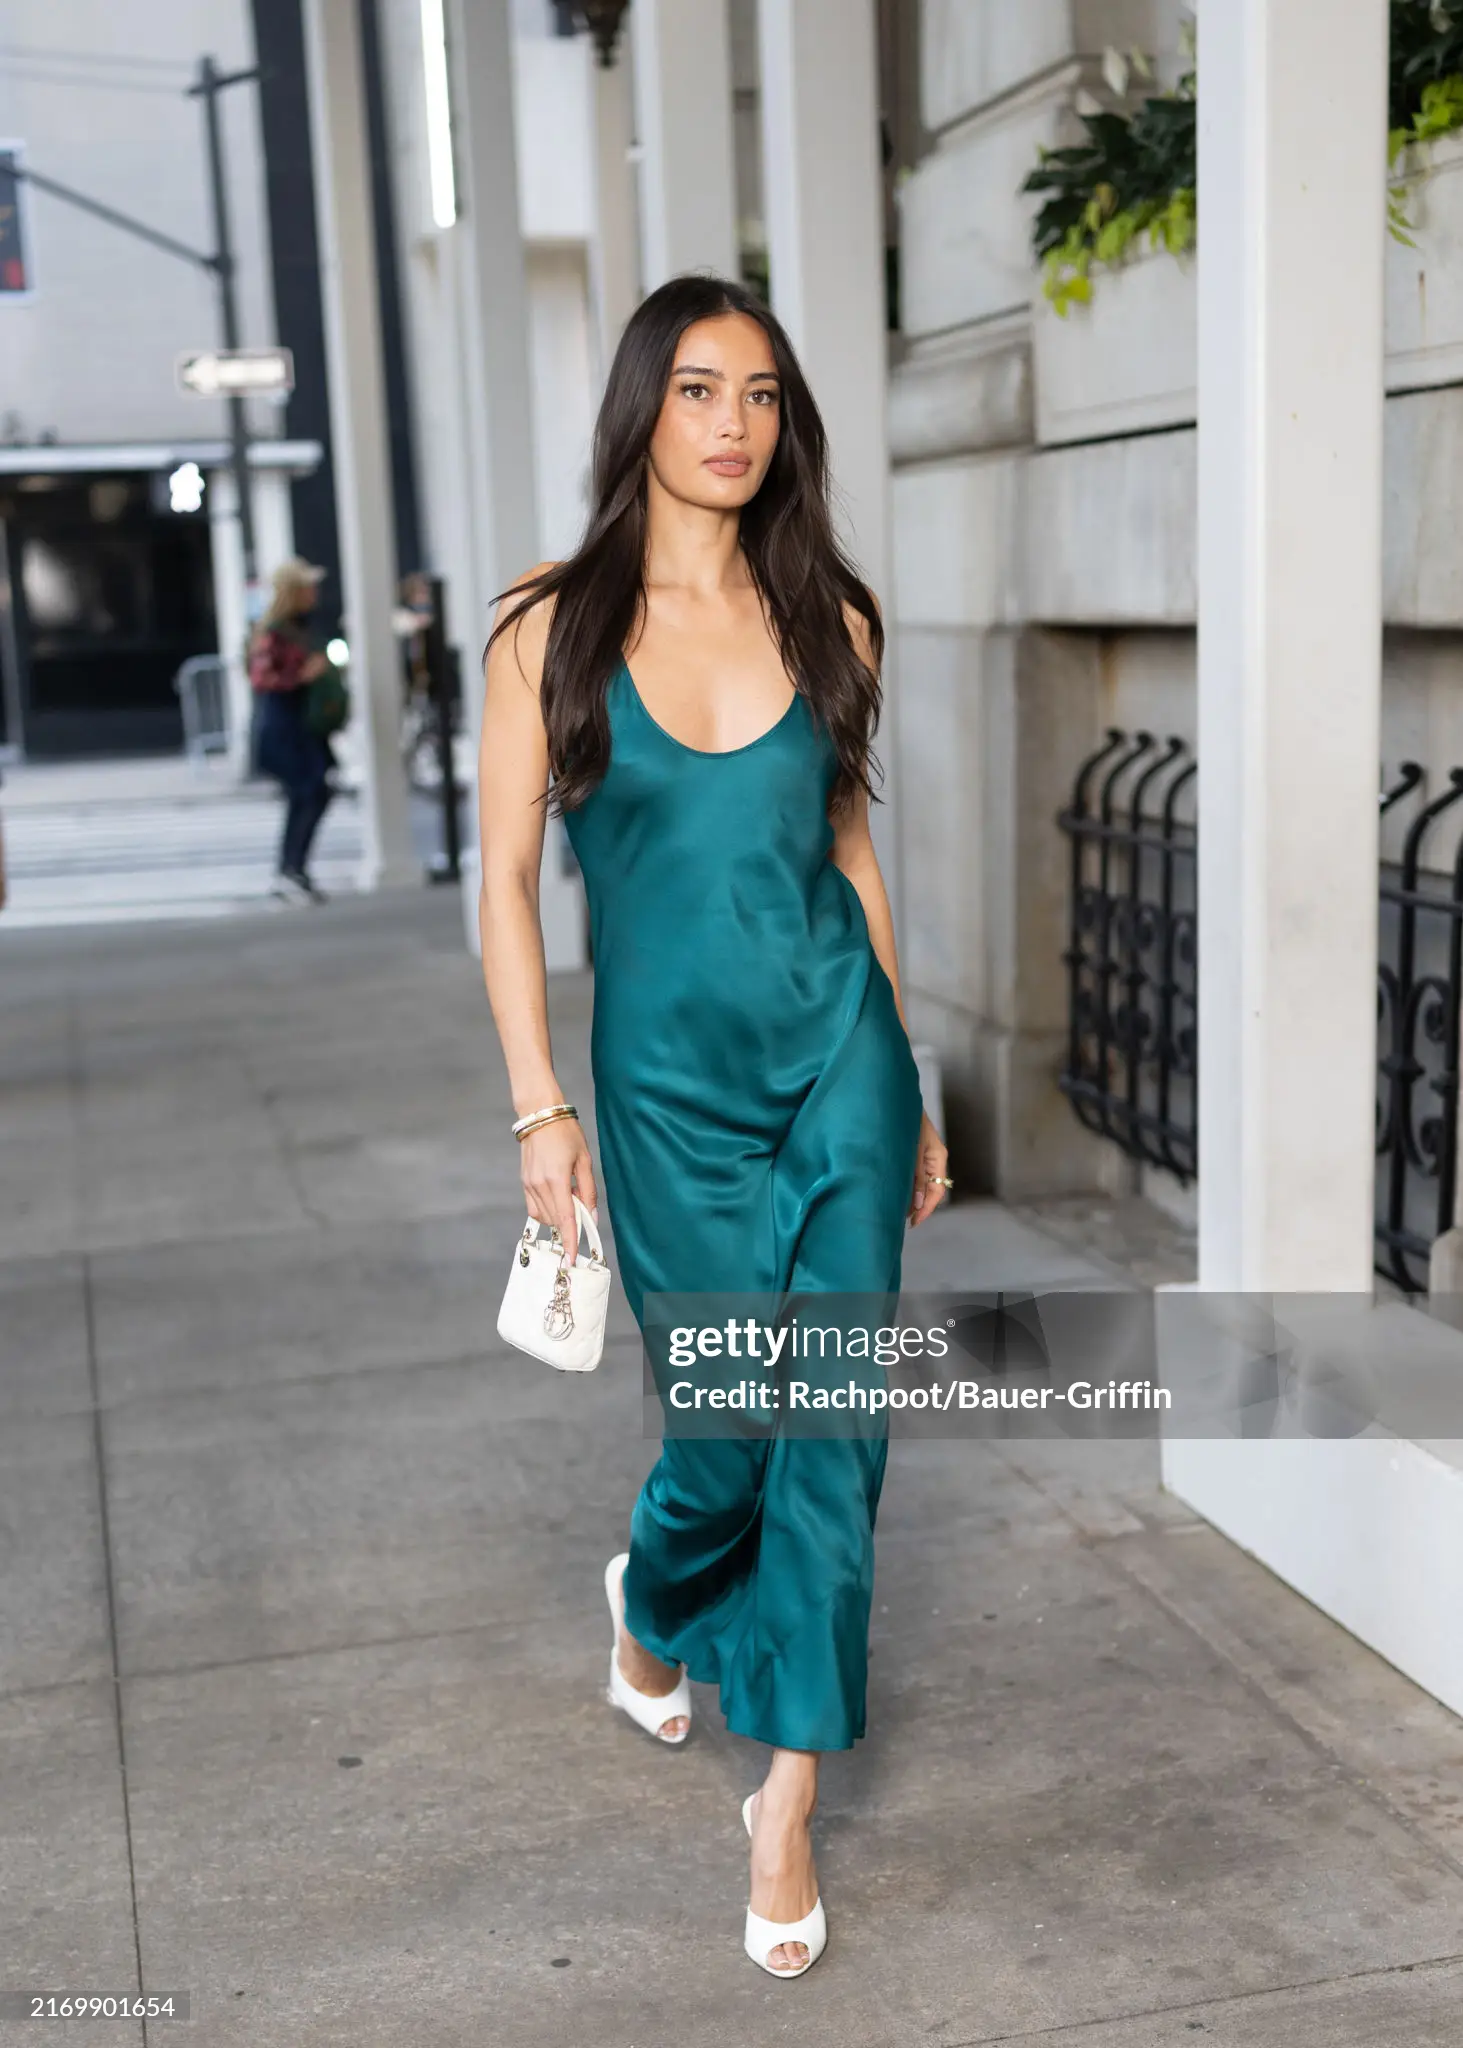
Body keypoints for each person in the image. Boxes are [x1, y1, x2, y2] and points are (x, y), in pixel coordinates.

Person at [475, 275, 953, 1980]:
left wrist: (910, 1075)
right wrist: (537, 1105)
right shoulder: (545, 628)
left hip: (838, 1060)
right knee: (727, 1428)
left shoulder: (833, 617)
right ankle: (656, 1598)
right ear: (642, 410)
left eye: (758, 393)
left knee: (830, 1423)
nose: (732, 422)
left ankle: (786, 1798)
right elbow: (504, 886)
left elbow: (850, 857)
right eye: (696, 389)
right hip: (665, 1097)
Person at [248, 557, 335, 905]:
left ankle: (293, 869)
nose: (314, 593)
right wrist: (302, 676)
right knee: (307, 792)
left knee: (313, 793)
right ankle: (290, 870)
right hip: (284, 726)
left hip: (303, 725)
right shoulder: (274, 632)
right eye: (308, 587)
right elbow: (262, 679)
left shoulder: (301, 627)